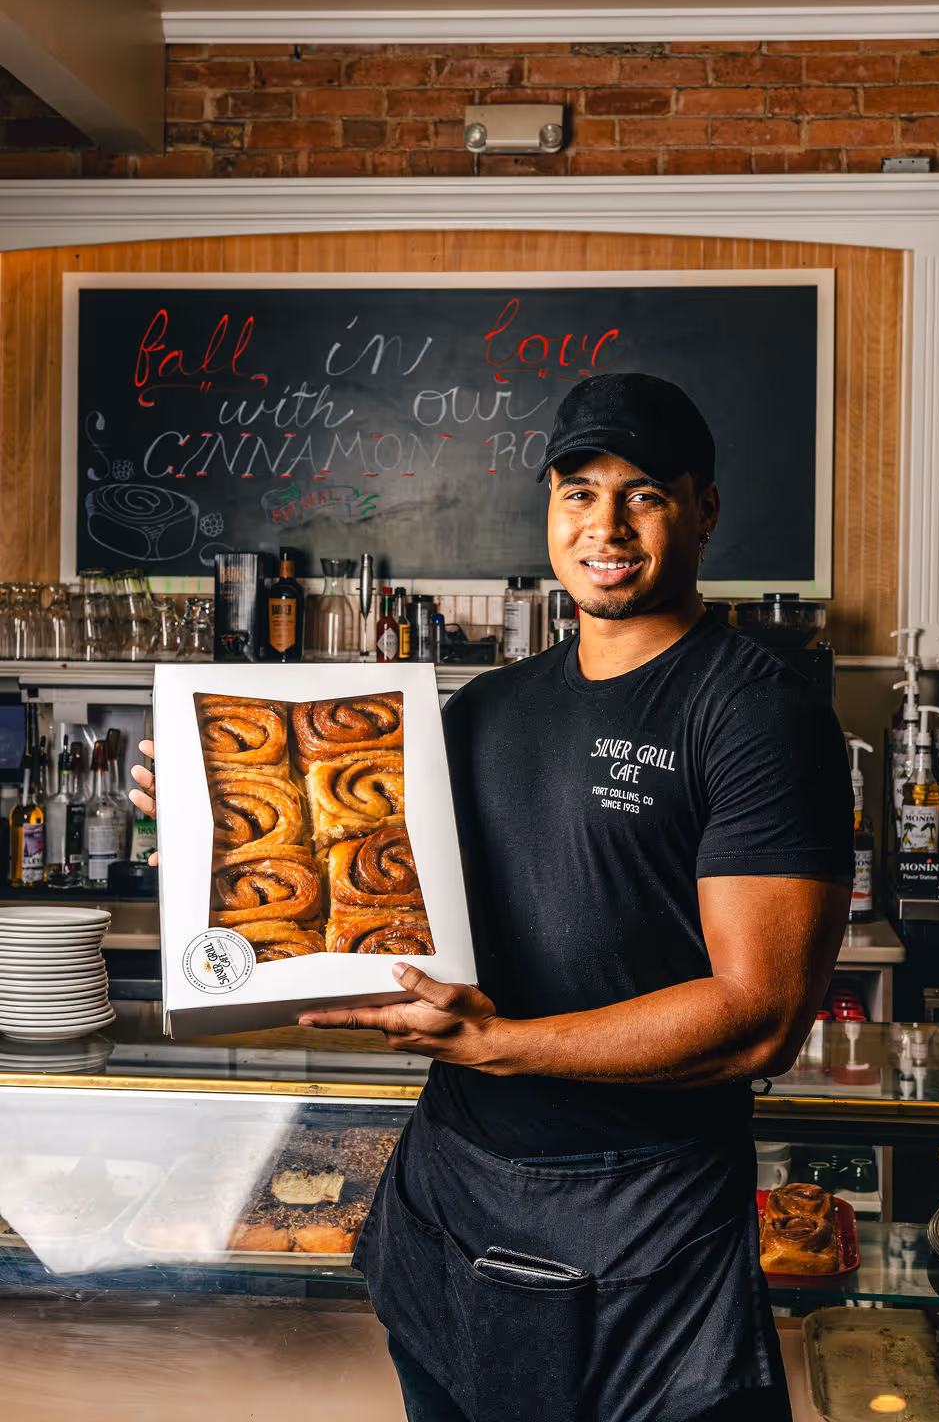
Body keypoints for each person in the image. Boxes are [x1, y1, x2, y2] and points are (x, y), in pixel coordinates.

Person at [131, 371, 852, 1422]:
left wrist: (499, 1043)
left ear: (702, 508)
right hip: (453, 1200)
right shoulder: (484, 712)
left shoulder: (755, 714)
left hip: (644, 1217)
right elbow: (382, 905)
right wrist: (211, 839)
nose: (604, 524)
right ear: (549, 512)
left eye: (642, 492)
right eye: (576, 491)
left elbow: (758, 1020)